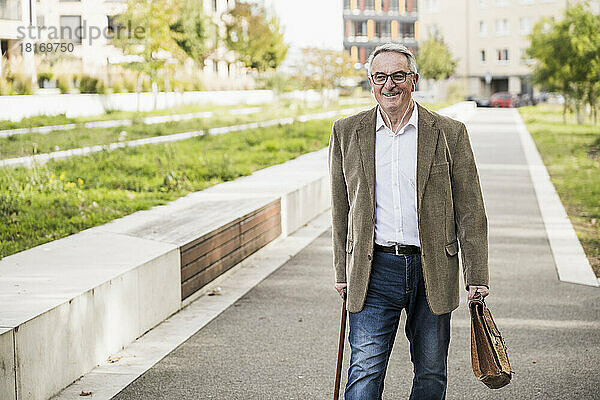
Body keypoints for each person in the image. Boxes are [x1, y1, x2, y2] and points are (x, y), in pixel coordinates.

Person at [328, 43, 489, 400]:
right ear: (371, 82)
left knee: (431, 372)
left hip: (433, 268)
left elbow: (470, 210)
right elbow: (340, 211)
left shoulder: (449, 133)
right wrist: (341, 271)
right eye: (380, 77)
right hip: (373, 269)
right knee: (365, 369)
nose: (390, 85)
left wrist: (476, 275)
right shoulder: (346, 132)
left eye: (398, 76)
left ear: (413, 80)